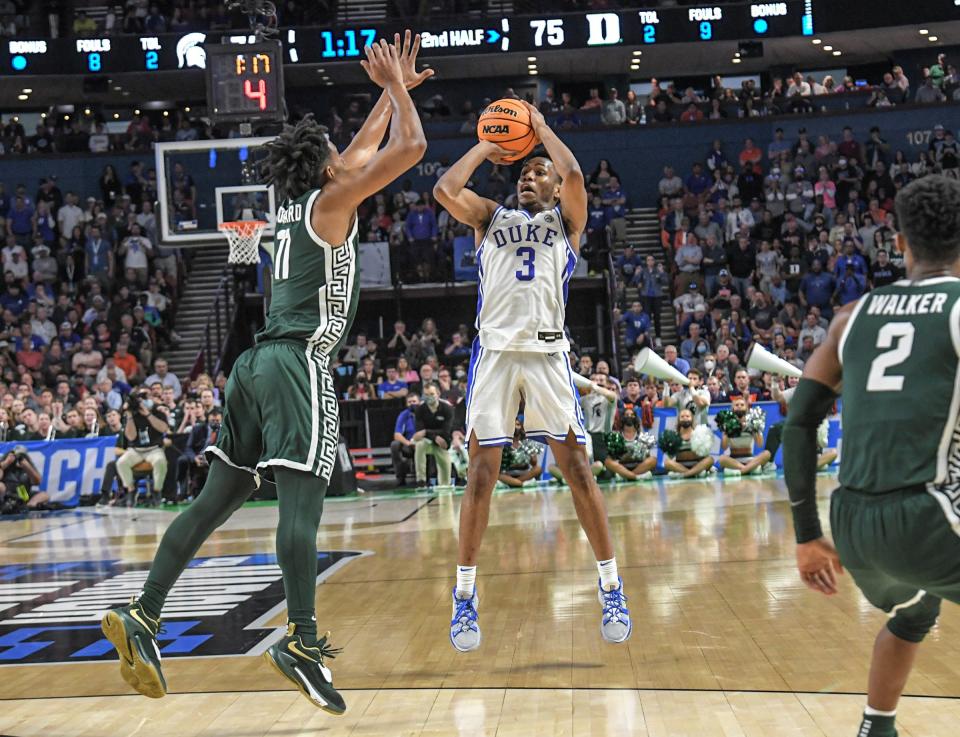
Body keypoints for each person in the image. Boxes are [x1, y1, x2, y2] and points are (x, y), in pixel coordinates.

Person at [100, 33, 431, 716]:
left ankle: (144, 612)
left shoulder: (299, 202)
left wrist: (390, 93)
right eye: (340, 156)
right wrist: (398, 91)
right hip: (297, 362)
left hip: (250, 364)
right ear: (327, 170)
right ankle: (302, 640)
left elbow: (365, 147)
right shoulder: (331, 204)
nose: (350, 155)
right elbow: (410, 150)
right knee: (302, 506)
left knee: (212, 501)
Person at [434, 100, 632, 652]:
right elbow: (445, 190)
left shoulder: (565, 224)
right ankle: (465, 598)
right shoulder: (489, 218)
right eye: (524, 171)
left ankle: (611, 585)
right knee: (480, 477)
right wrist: (485, 146)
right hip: (495, 356)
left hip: (547, 357)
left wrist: (541, 129)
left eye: (535, 172)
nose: (529, 176)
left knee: (578, 472)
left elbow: (572, 173)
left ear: (550, 189)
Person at [783, 175, 960, 737]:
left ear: (900, 243)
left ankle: (875, 728)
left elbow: (800, 423)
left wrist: (807, 535)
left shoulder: (851, 316)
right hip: (928, 516)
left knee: (914, 615)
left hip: (853, 524)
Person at [716, 396, 771, 475]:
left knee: (767, 454)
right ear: (733, 408)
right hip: (734, 459)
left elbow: (760, 444)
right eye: (737, 405)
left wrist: (755, 428)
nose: (739, 407)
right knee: (722, 459)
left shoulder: (753, 422)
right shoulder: (728, 422)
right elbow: (724, 447)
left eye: (742, 405)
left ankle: (741, 471)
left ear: (746, 408)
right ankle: (750, 469)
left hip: (750, 458)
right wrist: (727, 430)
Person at [413, 383, 453, 487]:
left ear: (438, 394)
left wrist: (426, 432)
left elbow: (446, 431)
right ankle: (421, 480)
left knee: (445, 468)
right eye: (426, 394)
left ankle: (445, 484)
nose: (429, 397)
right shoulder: (420, 409)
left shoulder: (447, 408)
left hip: (443, 441)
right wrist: (433, 436)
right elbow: (419, 431)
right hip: (428, 441)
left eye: (431, 394)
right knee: (419, 444)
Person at [390, 393, 419, 486]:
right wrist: (409, 443)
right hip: (409, 444)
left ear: (419, 402)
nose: (412, 404)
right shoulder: (403, 415)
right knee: (394, 445)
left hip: (423, 442)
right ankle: (400, 477)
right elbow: (397, 435)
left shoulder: (424, 413)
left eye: (414, 401)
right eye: (409, 402)